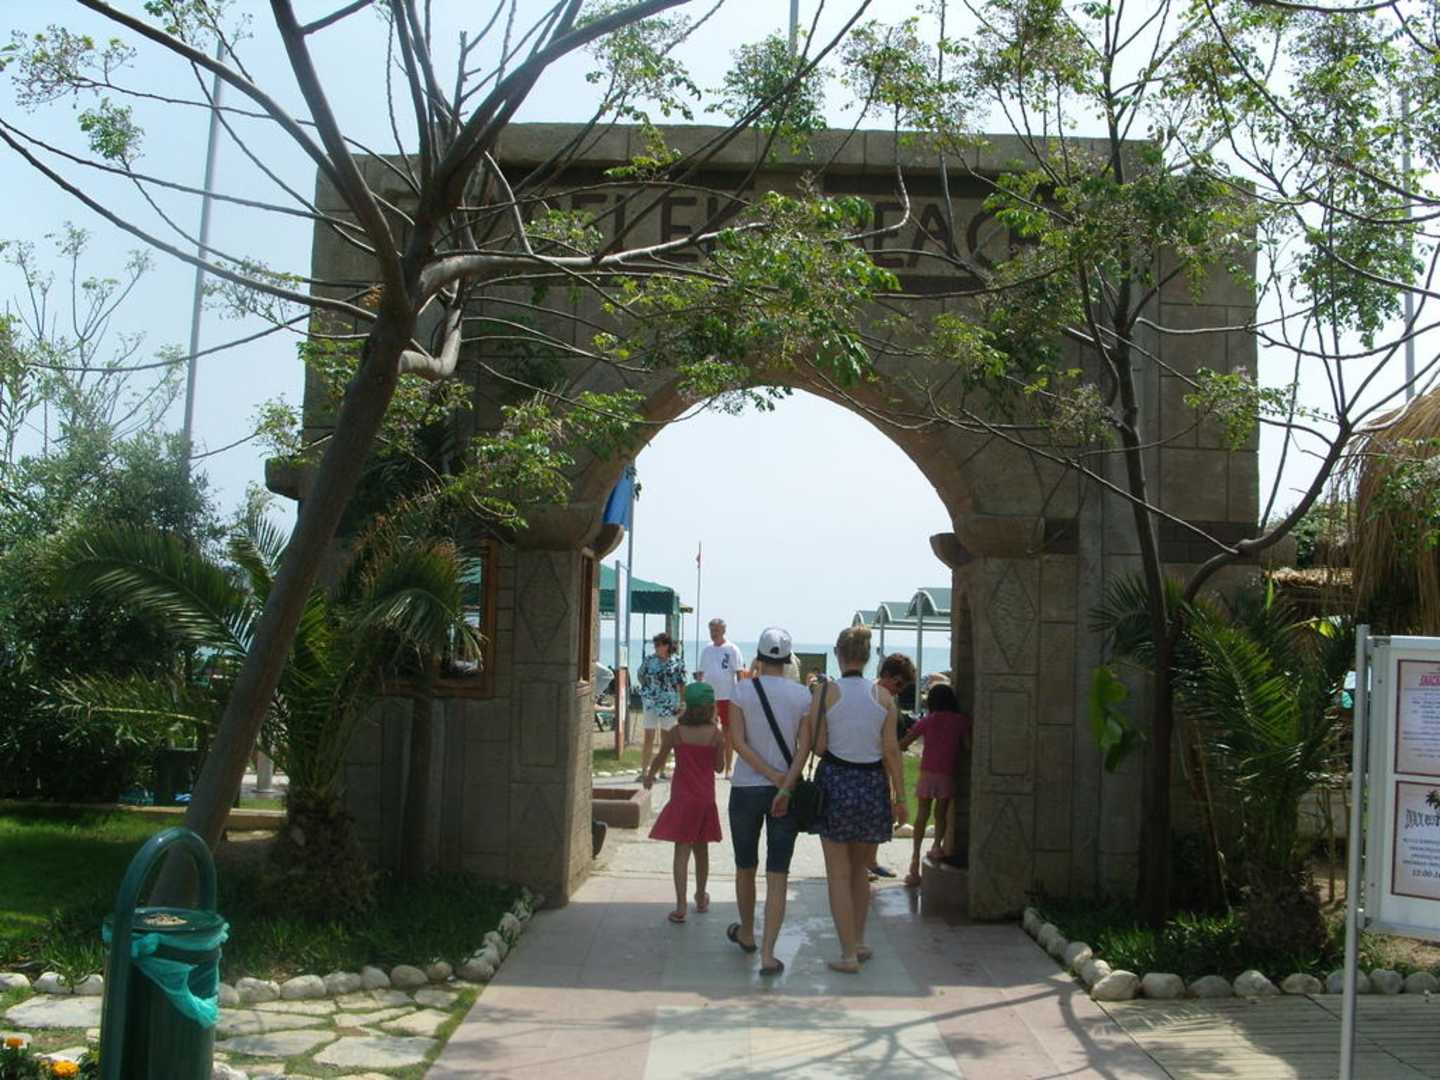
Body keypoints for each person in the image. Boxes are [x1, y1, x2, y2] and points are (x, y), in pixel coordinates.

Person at [806, 625, 906, 973]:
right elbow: (891, 751)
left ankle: (847, 954)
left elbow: (819, 746)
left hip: (836, 782)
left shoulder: (824, 692)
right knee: (860, 871)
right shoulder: (884, 698)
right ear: (867, 657)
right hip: (872, 785)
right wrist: (900, 796)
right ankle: (860, 942)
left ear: (838, 654)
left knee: (837, 874)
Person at [727, 626, 813, 976]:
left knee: (745, 866)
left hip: (746, 789)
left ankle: (747, 932)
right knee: (778, 873)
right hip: (785, 793)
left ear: (759, 656)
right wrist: (785, 783)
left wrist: (769, 775)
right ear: (788, 659)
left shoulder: (740, 691)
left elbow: (738, 742)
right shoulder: (803, 695)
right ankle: (768, 954)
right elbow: (804, 747)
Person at [643, 682, 724, 924]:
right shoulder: (716, 734)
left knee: (681, 850)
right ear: (710, 707)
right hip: (705, 799)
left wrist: (650, 775)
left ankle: (680, 905)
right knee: (702, 849)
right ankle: (700, 896)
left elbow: (660, 758)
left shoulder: (676, 733)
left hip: (682, 797)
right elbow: (719, 767)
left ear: (687, 705)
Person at [899, 682, 971, 887]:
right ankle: (937, 846)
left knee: (922, 814)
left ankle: (914, 859)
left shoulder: (928, 720)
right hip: (947, 773)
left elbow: (905, 743)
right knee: (941, 814)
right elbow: (968, 746)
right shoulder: (961, 721)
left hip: (927, 773)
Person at [868, 653, 916, 879]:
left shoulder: (888, 698)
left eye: (903, 686)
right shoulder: (874, 696)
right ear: (886, 675)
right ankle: (862, 864)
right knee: (868, 818)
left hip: (882, 767)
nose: (899, 690)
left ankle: (870, 861)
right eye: (898, 683)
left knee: (879, 818)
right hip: (871, 764)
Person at [636, 633, 686, 782]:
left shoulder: (677, 662)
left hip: (669, 704)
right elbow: (640, 674)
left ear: (667, 646)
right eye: (655, 645)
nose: (656, 648)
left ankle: (662, 770)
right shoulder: (649, 660)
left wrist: (682, 702)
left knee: (666, 739)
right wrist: (646, 687)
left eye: (659, 645)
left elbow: (681, 683)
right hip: (651, 702)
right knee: (649, 736)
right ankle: (644, 771)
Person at [699, 618, 745, 778]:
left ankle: (728, 768)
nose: (714, 633)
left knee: (728, 733)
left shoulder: (732, 649)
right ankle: (708, 765)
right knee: (708, 731)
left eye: (716, 630)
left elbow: (739, 673)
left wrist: (740, 695)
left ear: (723, 631)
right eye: (711, 630)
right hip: (709, 697)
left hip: (728, 697)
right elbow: (701, 673)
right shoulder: (706, 650)